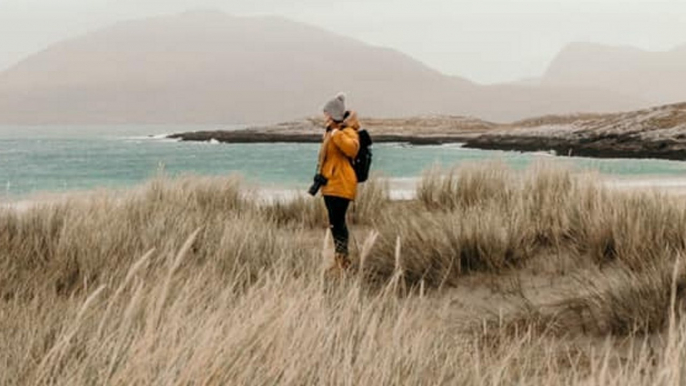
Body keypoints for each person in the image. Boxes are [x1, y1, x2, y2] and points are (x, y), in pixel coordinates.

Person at [317, 93, 360, 272]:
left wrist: (336, 134)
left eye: (327, 113)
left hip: (341, 184)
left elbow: (352, 150)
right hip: (330, 184)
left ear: (334, 114)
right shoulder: (329, 131)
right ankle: (340, 260)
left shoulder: (347, 131)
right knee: (335, 223)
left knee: (338, 223)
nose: (324, 116)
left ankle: (343, 262)